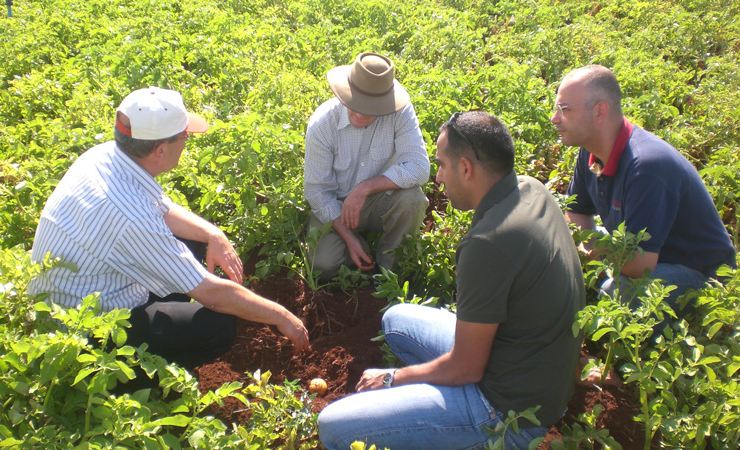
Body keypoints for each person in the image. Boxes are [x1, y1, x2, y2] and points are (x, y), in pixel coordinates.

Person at [317, 111, 586, 450]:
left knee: (332, 428)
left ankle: (458, 424)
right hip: (540, 374)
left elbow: (466, 369)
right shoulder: (531, 188)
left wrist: (391, 379)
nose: (439, 178)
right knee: (395, 319)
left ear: (466, 168)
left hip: (511, 412)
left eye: (442, 165)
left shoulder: (488, 243)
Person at [29, 87, 310, 370]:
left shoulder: (105, 156)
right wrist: (281, 316)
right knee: (219, 325)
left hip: (92, 289)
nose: (187, 141)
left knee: (196, 239)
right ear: (160, 150)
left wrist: (214, 233)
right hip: (85, 334)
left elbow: (159, 207)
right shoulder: (130, 217)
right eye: (184, 136)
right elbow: (211, 294)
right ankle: (150, 380)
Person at [553, 65, 736, 322]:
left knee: (614, 293)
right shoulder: (589, 151)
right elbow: (576, 214)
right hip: (645, 254)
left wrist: (590, 253)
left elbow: (639, 265)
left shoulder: (647, 165)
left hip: (701, 272)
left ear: (600, 111)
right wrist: (592, 249)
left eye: (564, 109)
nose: (555, 118)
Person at [303, 52, 430, 280]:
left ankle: (389, 272)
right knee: (322, 265)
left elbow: (420, 167)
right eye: (355, 103)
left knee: (412, 200)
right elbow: (318, 192)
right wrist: (348, 237)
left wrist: (365, 188)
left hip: (378, 199)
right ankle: (358, 245)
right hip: (336, 204)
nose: (360, 113)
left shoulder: (399, 113)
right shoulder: (323, 124)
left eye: (370, 106)